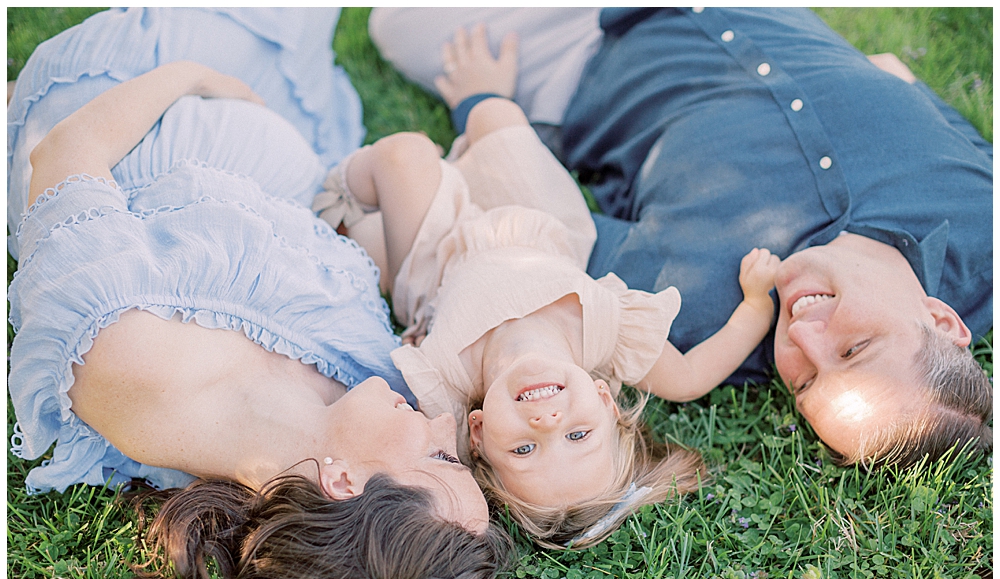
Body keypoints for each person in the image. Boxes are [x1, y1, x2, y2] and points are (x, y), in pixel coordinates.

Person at [7, 7, 510, 579]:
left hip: (137, 85)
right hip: (292, 126)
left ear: (347, 483)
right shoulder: (353, 408)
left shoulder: (131, 357)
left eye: (439, 459)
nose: (442, 426)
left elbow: (63, 150)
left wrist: (194, 76)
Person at [369, 7, 993, 469]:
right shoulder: (982, 216)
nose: (803, 336)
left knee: (399, 24)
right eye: (854, 349)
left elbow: (528, 234)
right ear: (942, 320)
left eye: (804, 383)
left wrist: (483, 104)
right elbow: (905, 83)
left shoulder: (688, 310)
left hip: (582, 47)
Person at [313, 48, 780, 547]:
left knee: (402, 158)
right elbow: (690, 379)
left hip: (438, 258)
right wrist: (756, 306)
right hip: (530, 216)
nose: (547, 421)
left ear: (476, 433)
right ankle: (471, 113)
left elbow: (397, 462)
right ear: (605, 402)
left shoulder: (444, 382)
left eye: (523, 449)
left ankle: (338, 201)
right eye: (578, 435)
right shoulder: (606, 333)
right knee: (497, 115)